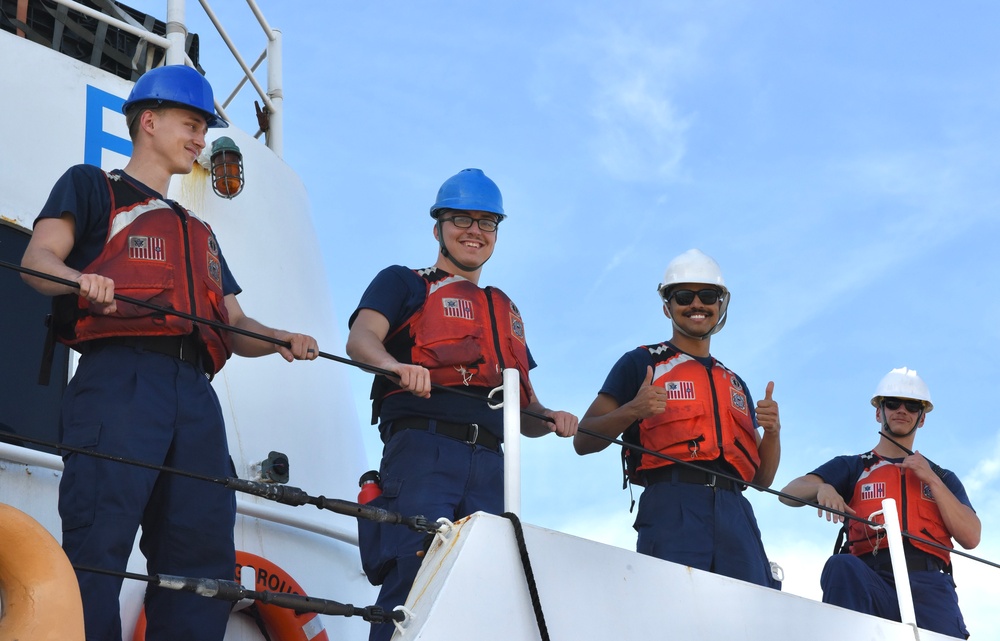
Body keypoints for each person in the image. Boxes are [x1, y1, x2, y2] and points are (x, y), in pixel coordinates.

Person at [20, 64, 319, 641]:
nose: (201, 140)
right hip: (120, 382)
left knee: (203, 566)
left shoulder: (200, 233)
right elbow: (37, 262)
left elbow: (231, 324)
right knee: (97, 547)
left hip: (196, 401)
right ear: (149, 122)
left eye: (204, 129)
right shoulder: (91, 187)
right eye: (191, 124)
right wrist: (80, 281)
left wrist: (278, 339)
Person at [346, 168, 578, 641]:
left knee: (484, 589)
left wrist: (551, 418)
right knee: (412, 581)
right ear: (438, 228)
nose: (474, 231)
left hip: (493, 463)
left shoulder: (504, 309)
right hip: (424, 452)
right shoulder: (404, 282)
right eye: (461, 219)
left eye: (486, 223)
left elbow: (524, 412)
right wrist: (395, 366)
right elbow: (360, 340)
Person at [574, 248, 781, 588]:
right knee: (672, 609)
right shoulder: (641, 363)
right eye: (684, 296)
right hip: (672, 502)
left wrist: (772, 432)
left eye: (708, 295)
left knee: (748, 615)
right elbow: (584, 440)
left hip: (737, 513)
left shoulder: (735, 382)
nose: (697, 305)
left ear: (721, 303)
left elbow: (762, 480)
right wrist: (634, 410)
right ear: (667, 305)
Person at [779, 367, 979, 637]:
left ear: (921, 419)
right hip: (870, 578)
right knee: (840, 565)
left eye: (912, 405)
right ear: (878, 412)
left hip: (930, 585)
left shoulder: (942, 477)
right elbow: (788, 492)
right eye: (893, 403)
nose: (902, 410)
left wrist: (932, 480)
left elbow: (971, 536)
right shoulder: (853, 466)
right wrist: (822, 487)